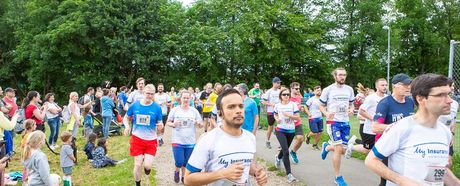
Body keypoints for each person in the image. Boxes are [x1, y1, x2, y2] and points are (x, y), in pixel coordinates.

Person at [365, 74, 460, 186]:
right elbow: (371, 160)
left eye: (449, 94)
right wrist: (402, 181)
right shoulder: (402, 128)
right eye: (440, 95)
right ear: (420, 99)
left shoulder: (445, 132)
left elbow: (438, 169)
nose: (450, 101)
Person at [184, 88, 268, 185]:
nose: (238, 111)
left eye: (241, 106)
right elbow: (188, 179)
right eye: (231, 107)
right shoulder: (208, 140)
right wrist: (222, 174)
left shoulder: (250, 137)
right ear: (220, 114)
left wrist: (257, 173)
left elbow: (248, 164)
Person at [371, 73, 414, 186]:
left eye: (409, 84)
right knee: (387, 181)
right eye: (405, 85)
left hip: (405, 147)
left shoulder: (410, 102)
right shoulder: (385, 103)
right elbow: (375, 127)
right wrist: (398, 128)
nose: (409, 87)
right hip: (388, 146)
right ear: (395, 86)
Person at [319, 68, 355, 186]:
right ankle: (338, 177)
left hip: (345, 122)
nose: (342, 77)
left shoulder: (349, 89)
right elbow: (321, 105)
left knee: (342, 149)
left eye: (344, 75)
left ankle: (327, 147)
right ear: (335, 76)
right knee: (339, 148)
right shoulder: (328, 90)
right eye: (340, 75)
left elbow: (351, 104)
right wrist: (326, 113)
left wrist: (351, 109)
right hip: (333, 122)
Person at [123, 84, 164, 186]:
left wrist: (160, 126)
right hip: (137, 138)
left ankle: (147, 168)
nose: (149, 95)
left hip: (151, 140)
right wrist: (127, 126)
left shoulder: (157, 108)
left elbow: (160, 123)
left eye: (151, 94)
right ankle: (138, 184)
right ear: (143, 93)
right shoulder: (135, 105)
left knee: (148, 166)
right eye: (147, 93)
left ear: (153, 95)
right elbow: (126, 117)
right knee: (137, 164)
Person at [166, 90, 203, 183]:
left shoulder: (194, 111)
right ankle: (176, 171)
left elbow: (201, 124)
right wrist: (174, 124)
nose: (186, 99)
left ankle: (183, 176)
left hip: (190, 141)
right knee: (179, 161)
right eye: (184, 97)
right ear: (180, 98)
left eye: (187, 98)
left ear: (190, 99)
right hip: (177, 140)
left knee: (186, 162)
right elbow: (168, 122)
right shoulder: (175, 110)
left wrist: (198, 123)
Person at [346, 79, 388, 157]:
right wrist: (374, 119)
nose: (385, 87)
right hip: (370, 130)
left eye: (386, 85)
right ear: (376, 87)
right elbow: (361, 111)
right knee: (367, 149)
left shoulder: (387, 98)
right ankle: (352, 147)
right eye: (382, 85)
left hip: (382, 128)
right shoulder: (371, 98)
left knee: (381, 148)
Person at [273, 88, 300, 182]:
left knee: (285, 150)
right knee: (286, 151)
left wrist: (289, 115)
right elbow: (275, 114)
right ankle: (289, 174)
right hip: (280, 130)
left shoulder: (293, 105)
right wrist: (277, 119)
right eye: (284, 94)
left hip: (291, 131)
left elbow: (297, 117)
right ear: (281, 96)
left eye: (288, 94)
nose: (286, 96)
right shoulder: (277, 105)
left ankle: (278, 158)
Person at [437, 84, 458, 169]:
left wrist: (452, 134)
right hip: (436, 136)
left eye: (453, 85)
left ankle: (443, 181)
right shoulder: (437, 103)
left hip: (447, 136)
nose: (453, 87)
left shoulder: (455, 103)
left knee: (448, 163)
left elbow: (453, 120)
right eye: (451, 85)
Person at [262, 77, 281, 149]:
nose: (279, 84)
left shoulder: (280, 91)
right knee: (270, 127)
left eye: (279, 83)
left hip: (279, 112)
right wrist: (271, 104)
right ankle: (268, 141)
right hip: (270, 112)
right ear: (273, 83)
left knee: (280, 127)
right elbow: (264, 102)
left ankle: (280, 144)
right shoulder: (269, 91)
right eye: (277, 83)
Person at [288, 82, 304, 164]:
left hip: (297, 122)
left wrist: (301, 108)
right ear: (291, 88)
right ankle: (279, 157)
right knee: (285, 145)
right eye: (296, 88)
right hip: (288, 123)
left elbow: (299, 106)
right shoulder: (287, 97)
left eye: (299, 88)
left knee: (300, 138)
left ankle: (293, 151)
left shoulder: (299, 97)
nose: (298, 90)